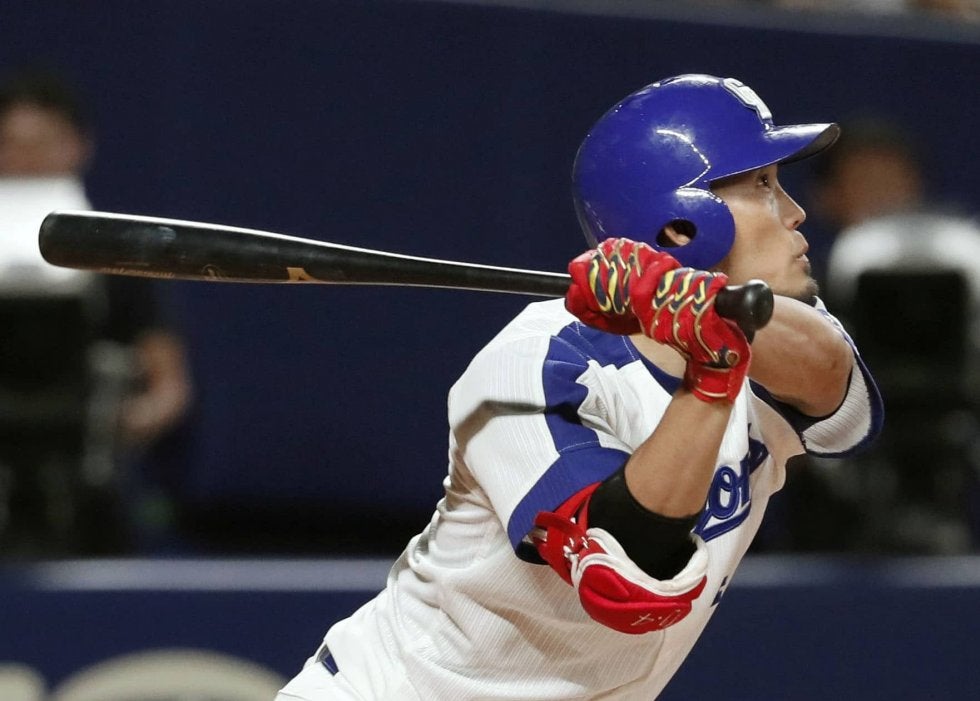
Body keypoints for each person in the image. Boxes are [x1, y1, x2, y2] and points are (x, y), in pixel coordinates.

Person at [275, 74, 883, 700]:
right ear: (682, 227)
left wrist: (713, 320)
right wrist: (709, 377)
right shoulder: (536, 362)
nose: (795, 211)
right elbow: (627, 587)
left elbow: (836, 388)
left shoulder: (769, 335)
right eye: (762, 185)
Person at [0, 69, 194, 554]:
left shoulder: (117, 258)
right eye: (9, 144)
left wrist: (128, 418)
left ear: (77, 146)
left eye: (41, 144)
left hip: (84, 492)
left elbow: (170, 386)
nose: (24, 159)